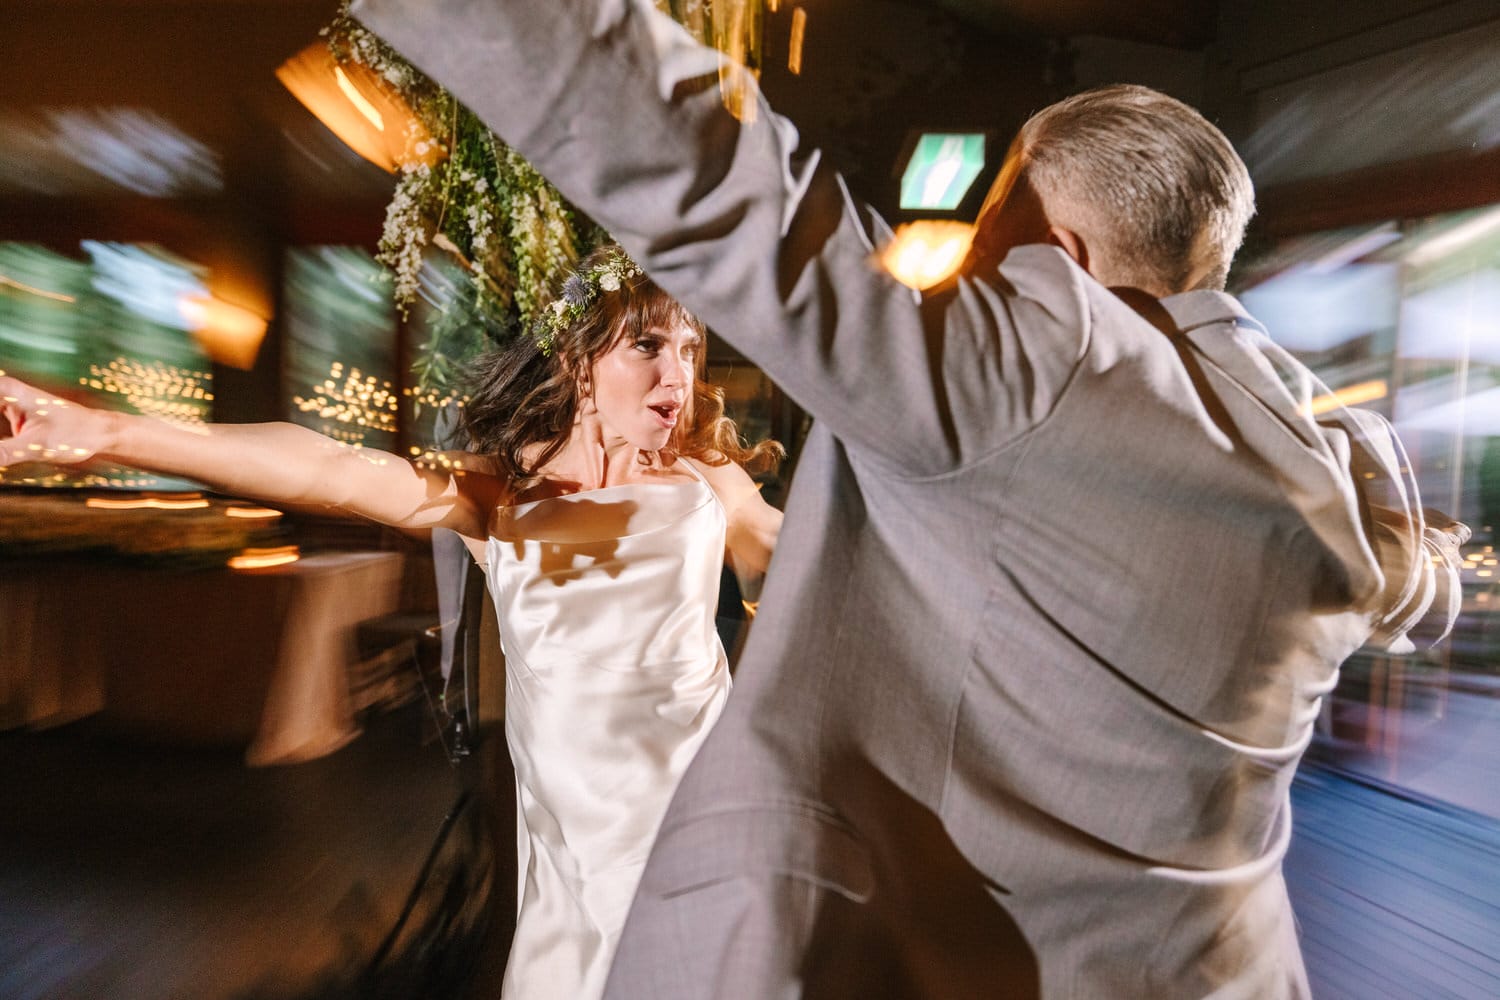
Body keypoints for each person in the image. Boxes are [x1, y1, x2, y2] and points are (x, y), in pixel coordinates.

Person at [348, 3, 1470, 997]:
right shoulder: (1327, 464)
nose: (967, 274)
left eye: (991, 232)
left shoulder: (1031, 370)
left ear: (1058, 255)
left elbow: (703, 177)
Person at [0, 243, 784, 1000]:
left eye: (689, 348)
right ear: (579, 359)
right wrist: (108, 433)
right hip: (584, 858)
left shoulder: (701, 476)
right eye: (648, 344)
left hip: (711, 821)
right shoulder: (499, 501)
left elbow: (778, 554)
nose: (677, 373)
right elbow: (329, 469)